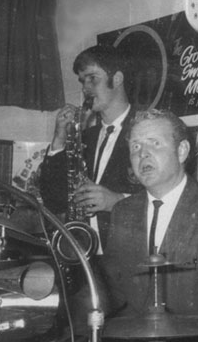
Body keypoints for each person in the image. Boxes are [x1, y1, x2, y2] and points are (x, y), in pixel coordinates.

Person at [99, 109, 198, 336]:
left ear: (182, 151)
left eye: (154, 143)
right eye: (135, 146)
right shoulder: (123, 212)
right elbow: (113, 296)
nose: (143, 154)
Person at [39, 44, 142, 252]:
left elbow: (165, 195)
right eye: (82, 81)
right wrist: (59, 139)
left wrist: (116, 201)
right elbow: (53, 199)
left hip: (127, 254)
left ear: (117, 79)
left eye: (93, 78)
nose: (85, 88)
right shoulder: (84, 137)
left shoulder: (146, 130)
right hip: (82, 252)